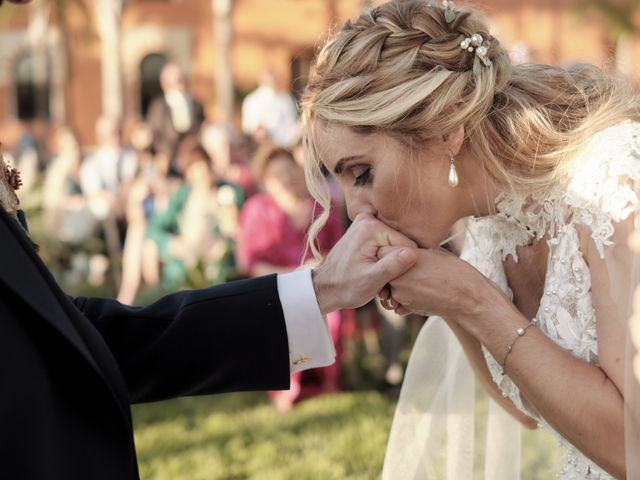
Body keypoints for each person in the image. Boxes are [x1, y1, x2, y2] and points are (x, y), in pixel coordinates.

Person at [300, 0, 640, 478]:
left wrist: (472, 299)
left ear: (445, 127)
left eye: (363, 173)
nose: (359, 214)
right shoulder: (488, 223)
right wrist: (449, 301)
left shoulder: (615, 182)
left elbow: (633, 448)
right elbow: (528, 411)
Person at [237, 144, 345, 411]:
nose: (285, 178)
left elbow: (341, 249)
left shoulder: (322, 206)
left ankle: (327, 380)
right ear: (266, 182)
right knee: (283, 316)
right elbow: (250, 261)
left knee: (333, 317)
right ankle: (286, 388)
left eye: (289, 170)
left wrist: (319, 264)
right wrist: (290, 277)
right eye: (277, 175)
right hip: (275, 285)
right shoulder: (256, 209)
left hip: (319, 283)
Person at [147, 62, 205, 168]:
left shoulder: (196, 105)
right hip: (167, 156)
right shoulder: (158, 106)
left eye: (183, 80)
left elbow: (200, 129)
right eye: (178, 81)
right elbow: (155, 132)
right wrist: (166, 154)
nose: (181, 85)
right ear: (165, 85)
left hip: (192, 155)